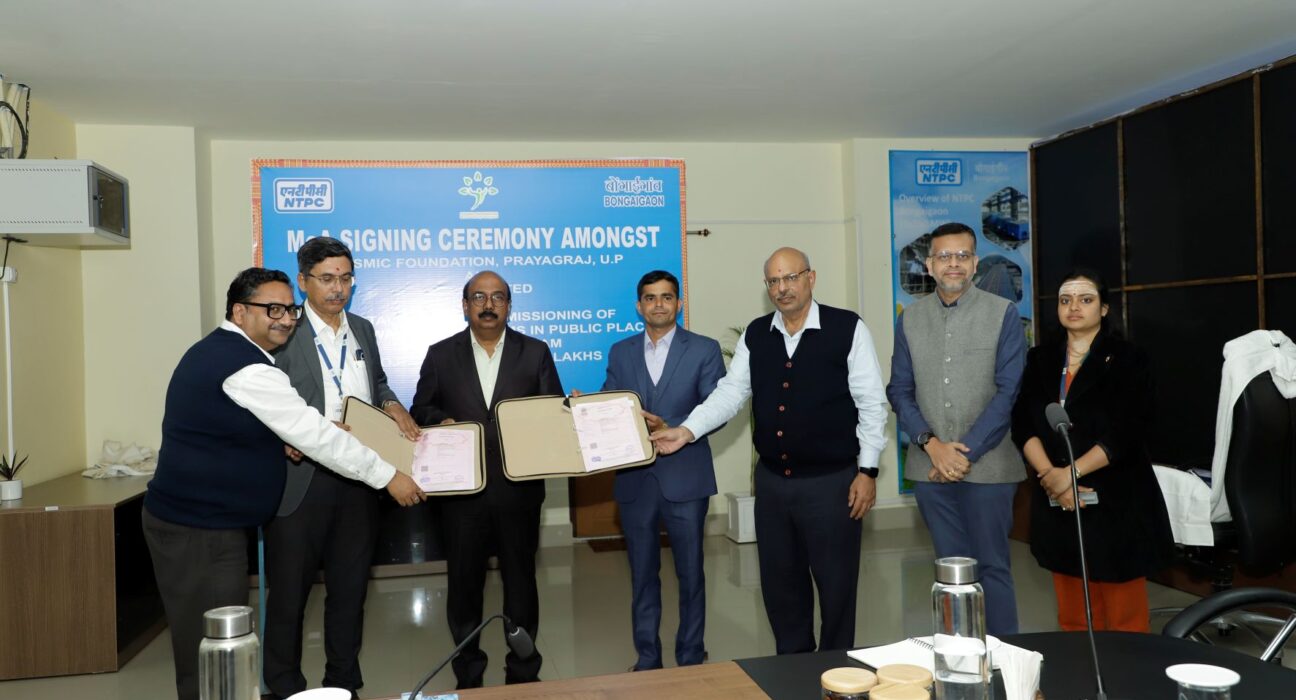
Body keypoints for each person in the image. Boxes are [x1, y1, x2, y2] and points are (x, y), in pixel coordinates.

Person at [142, 268, 424, 700]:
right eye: (272, 309)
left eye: (289, 310)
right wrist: (389, 476)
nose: (286, 319)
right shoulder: (247, 367)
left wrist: (281, 441)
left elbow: (235, 427)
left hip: (203, 526)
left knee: (212, 647)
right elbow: (317, 436)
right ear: (239, 312)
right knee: (215, 654)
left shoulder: (221, 351)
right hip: (199, 532)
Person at [652, 247, 888, 654]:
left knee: (836, 588)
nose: (783, 288)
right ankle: (793, 671)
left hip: (833, 484)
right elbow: (730, 393)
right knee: (781, 589)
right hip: (773, 485)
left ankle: (836, 673)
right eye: (774, 281)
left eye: (791, 277)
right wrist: (686, 431)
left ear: (810, 278)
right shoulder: (757, 334)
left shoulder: (847, 328)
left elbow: (871, 403)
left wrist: (867, 471)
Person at [263, 238, 423, 699]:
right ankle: (285, 688)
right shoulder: (283, 331)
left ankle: (343, 684)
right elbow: (264, 398)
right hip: (302, 480)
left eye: (346, 278)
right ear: (303, 281)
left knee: (350, 592)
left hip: (360, 479)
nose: (338, 288)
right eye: (327, 279)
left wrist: (391, 404)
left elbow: (377, 383)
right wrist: (299, 432)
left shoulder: (363, 329)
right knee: (289, 595)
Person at [409, 270, 562, 688]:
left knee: (521, 584)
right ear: (465, 305)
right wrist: (441, 420)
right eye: (479, 297)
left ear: (509, 305)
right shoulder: (441, 354)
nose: (488, 305)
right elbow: (420, 408)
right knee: (463, 587)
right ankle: (469, 674)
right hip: (462, 493)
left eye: (497, 297)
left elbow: (551, 408)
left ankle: (524, 671)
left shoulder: (535, 352)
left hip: (519, 490)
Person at [1010, 269, 1174, 632]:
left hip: (1115, 499)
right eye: (1065, 300)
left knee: (1124, 620)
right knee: (1073, 616)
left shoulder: (1129, 358)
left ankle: (1128, 671)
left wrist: (1070, 474)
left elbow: (1128, 430)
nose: (1074, 307)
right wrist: (1051, 477)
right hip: (1058, 499)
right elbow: (1023, 423)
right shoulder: (1041, 359)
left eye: (1085, 300)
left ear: (1103, 309)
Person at [885, 222, 1027, 636]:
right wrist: (932, 446)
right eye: (944, 256)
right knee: (951, 570)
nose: (953, 264)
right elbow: (899, 390)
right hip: (930, 469)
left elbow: (1009, 391)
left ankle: (1002, 661)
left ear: (975, 263)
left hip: (990, 469)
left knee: (992, 568)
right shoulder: (910, 319)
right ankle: (959, 659)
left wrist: (962, 454)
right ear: (929, 265)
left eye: (962, 256)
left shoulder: (1003, 314)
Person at [601, 270, 725, 670]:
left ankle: (690, 654)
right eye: (650, 298)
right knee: (642, 575)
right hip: (635, 481)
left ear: (679, 304)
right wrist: (588, 407)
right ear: (639, 306)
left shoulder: (704, 349)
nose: (659, 304)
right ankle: (647, 659)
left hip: (686, 478)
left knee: (690, 574)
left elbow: (717, 409)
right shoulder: (621, 352)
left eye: (667, 297)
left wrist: (673, 426)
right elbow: (611, 401)